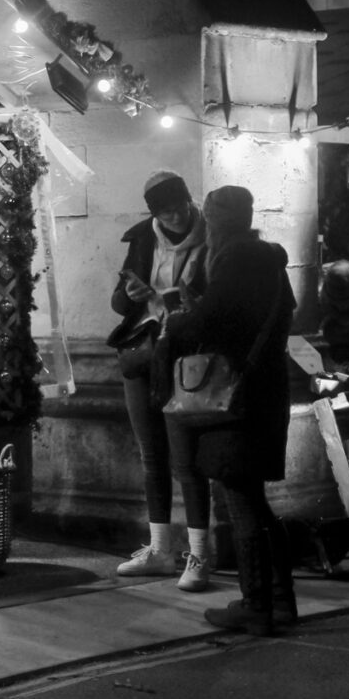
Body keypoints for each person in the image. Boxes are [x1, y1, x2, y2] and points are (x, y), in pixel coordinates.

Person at [163, 185, 297, 636]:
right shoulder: (269, 260)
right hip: (265, 390)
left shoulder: (235, 257)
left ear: (218, 219)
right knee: (256, 502)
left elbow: (214, 320)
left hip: (235, 394)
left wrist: (179, 320)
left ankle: (255, 605)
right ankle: (280, 601)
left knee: (241, 502)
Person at [108, 170, 211, 590]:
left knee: (187, 461)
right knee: (152, 456)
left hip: (188, 358)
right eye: (165, 212)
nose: (173, 218)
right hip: (145, 353)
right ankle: (159, 550)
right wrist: (130, 294)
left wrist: (190, 303)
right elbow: (118, 302)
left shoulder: (212, 238)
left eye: (179, 208)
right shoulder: (142, 238)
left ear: (190, 202)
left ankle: (201, 555)